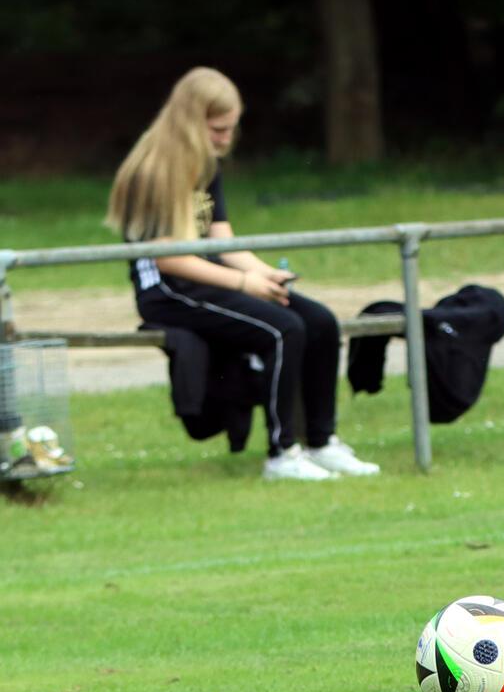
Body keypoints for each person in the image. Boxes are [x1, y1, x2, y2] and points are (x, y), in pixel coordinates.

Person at [104, 68, 379, 481]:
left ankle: (321, 443)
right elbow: (168, 259)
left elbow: (221, 239)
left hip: (206, 277)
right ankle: (282, 453)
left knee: (319, 321)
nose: (226, 139)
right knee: (283, 330)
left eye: (231, 128)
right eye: (217, 129)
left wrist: (264, 274)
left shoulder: (206, 164)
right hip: (169, 292)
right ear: (191, 121)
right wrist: (243, 284)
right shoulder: (155, 169)